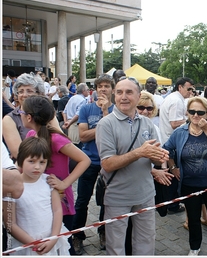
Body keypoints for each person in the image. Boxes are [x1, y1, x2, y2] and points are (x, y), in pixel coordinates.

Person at [95, 77, 169, 255]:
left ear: (138, 95)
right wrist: (139, 153)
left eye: (129, 92)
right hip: (117, 197)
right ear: (114, 95)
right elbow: (107, 164)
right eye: (119, 92)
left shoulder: (147, 123)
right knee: (116, 247)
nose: (123, 97)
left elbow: (156, 159)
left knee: (146, 242)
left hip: (145, 194)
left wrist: (162, 158)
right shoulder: (106, 124)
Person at [162, 96, 207, 256]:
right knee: (193, 219)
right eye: (192, 111)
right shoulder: (180, 132)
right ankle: (194, 248)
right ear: (187, 113)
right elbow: (166, 149)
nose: (195, 115)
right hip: (189, 183)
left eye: (200, 112)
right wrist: (173, 166)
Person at [22, 95, 90, 254]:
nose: (20, 114)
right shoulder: (31, 135)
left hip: (61, 202)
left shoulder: (56, 138)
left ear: (29, 117)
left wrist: (65, 183)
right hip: (39, 200)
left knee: (64, 246)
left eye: (21, 111)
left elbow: (84, 160)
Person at [3, 137, 70, 256]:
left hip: (50, 241)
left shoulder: (49, 182)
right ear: (21, 160)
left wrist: (54, 238)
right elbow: (10, 223)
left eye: (42, 162)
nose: (37, 167)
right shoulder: (12, 188)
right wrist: (33, 243)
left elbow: (57, 210)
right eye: (32, 161)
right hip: (26, 245)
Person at [71, 74, 115, 254]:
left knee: (107, 201)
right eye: (99, 87)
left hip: (109, 161)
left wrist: (105, 113)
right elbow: (83, 136)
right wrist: (104, 127)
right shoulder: (86, 109)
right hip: (88, 159)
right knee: (82, 200)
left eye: (106, 86)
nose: (103, 89)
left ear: (112, 89)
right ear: (95, 90)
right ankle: (77, 236)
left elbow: (114, 137)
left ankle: (103, 232)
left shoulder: (116, 109)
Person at [2, 73, 61, 160]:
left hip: (54, 163)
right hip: (27, 168)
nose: (24, 95)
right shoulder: (9, 119)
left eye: (29, 91)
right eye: (21, 91)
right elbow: (18, 153)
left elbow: (61, 140)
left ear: (39, 93)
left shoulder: (47, 113)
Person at [159, 77, 194, 215]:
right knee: (174, 176)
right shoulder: (176, 100)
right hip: (171, 142)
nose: (190, 91)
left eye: (192, 89)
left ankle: (170, 203)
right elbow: (174, 123)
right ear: (180, 87)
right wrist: (190, 119)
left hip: (168, 140)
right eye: (188, 88)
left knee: (172, 175)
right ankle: (173, 205)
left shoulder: (175, 98)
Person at [62, 83, 90, 148]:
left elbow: (64, 112)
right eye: (87, 90)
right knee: (78, 147)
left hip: (70, 124)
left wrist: (66, 122)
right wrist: (69, 123)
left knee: (72, 146)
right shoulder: (83, 100)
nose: (88, 91)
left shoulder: (72, 98)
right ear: (83, 91)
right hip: (76, 124)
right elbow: (78, 114)